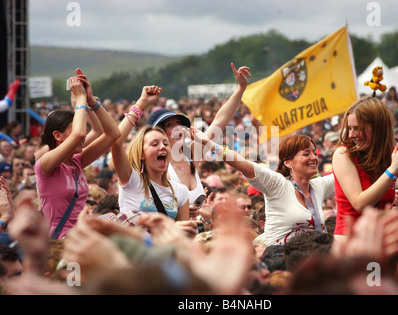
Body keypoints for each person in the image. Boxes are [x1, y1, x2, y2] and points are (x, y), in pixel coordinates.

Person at [190, 128, 335, 246]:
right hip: (278, 262)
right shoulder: (278, 184)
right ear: (288, 163)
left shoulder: (319, 186)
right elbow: (240, 163)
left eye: (315, 153)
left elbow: (346, 172)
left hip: (309, 259)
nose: (314, 158)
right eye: (306, 153)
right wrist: (208, 142)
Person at [146, 63, 251, 214]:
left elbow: (219, 121)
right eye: (170, 125)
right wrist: (181, 212)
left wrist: (240, 89)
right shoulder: (155, 168)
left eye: (179, 123)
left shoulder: (190, 156)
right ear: (157, 133)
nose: (177, 128)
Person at [34, 69, 121, 239]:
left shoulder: (76, 161)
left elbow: (112, 134)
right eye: (72, 129)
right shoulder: (45, 164)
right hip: (61, 244)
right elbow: (79, 134)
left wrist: (91, 101)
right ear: (57, 136)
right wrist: (79, 99)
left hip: (83, 240)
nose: (81, 133)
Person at [331, 97, 398, 237]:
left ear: (377, 128)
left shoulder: (393, 153)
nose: (351, 135)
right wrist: (392, 171)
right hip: (350, 245)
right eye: (349, 128)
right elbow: (359, 204)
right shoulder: (343, 154)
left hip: (381, 241)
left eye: (357, 129)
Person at [110, 85, 195, 236]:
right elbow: (116, 142)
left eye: (165, 143)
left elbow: (185, 236)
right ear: (141, 153)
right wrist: (142, 103)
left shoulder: (180, 191)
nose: (162, 147)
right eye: (154, 144)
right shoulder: (131, 179)